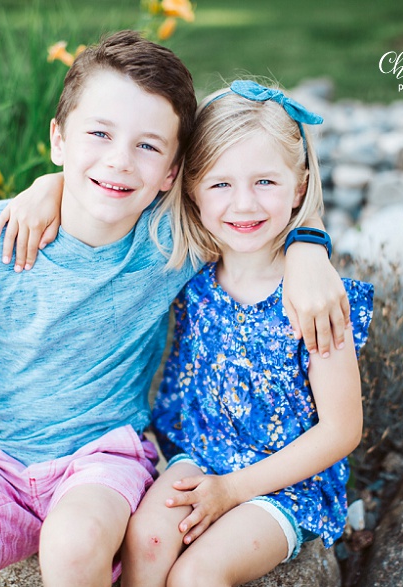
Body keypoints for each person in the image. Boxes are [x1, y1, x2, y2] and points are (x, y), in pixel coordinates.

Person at [0, 31, 348, 587]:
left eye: (148, 146)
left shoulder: (173, 238)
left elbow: (257, 213)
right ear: (59, 140)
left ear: (171, 175)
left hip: (104, 459)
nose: (119, 161)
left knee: (74, 543)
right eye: (100, 134)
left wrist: (309, 248)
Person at [119, 80, 374, 587]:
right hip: (198, 452)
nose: (244, 205)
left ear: (299, 186)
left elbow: (343, 429)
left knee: (197, 575)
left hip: (284, 485)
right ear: (190, 188)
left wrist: (232, 490)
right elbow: (107, 195)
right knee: (145, 543)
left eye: (266, 183)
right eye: (220, 184)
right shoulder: (188, 272)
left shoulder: (315, 298)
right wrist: (46, 189)